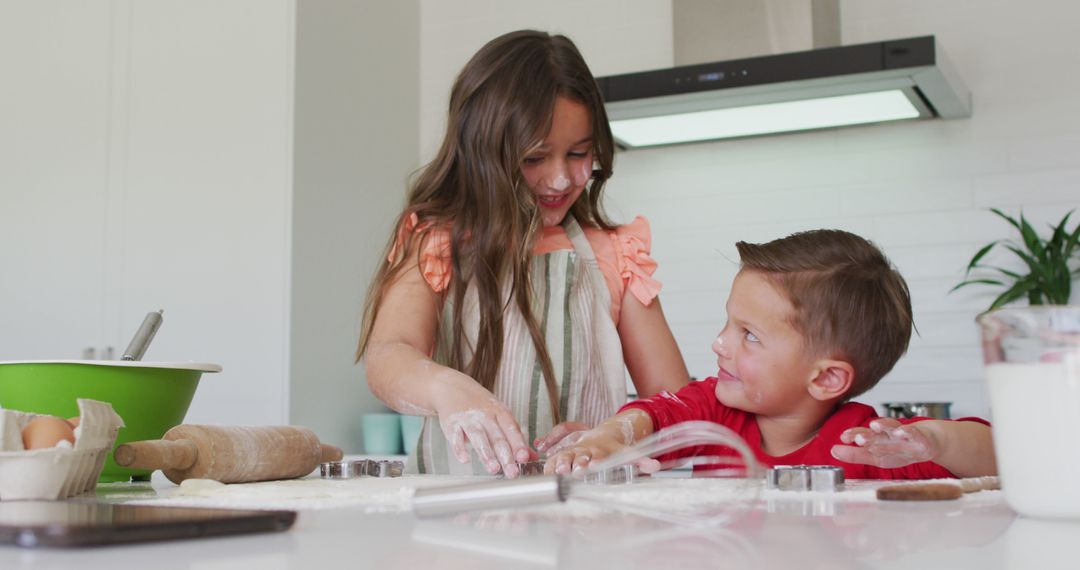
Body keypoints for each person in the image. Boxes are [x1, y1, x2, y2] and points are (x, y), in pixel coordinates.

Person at [357, 30, 689, 478]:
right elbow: (387, 355)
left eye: (578, 153)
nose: (559, 179)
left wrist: (612, 434)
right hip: (457, 524)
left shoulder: (615, 256)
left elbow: (679, 406)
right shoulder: (439, 242)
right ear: (482, 153)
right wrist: (444, 386)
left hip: (590, 526)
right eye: (534, 158)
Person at [545, 229, 997, 479]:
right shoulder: (715, 412)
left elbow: (998, 455)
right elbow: (655, 414)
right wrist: (610, 436)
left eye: (750, 336)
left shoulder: (866, 448)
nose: (719, 343)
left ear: (825, 379)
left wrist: (935, 440)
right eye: (728, 323)